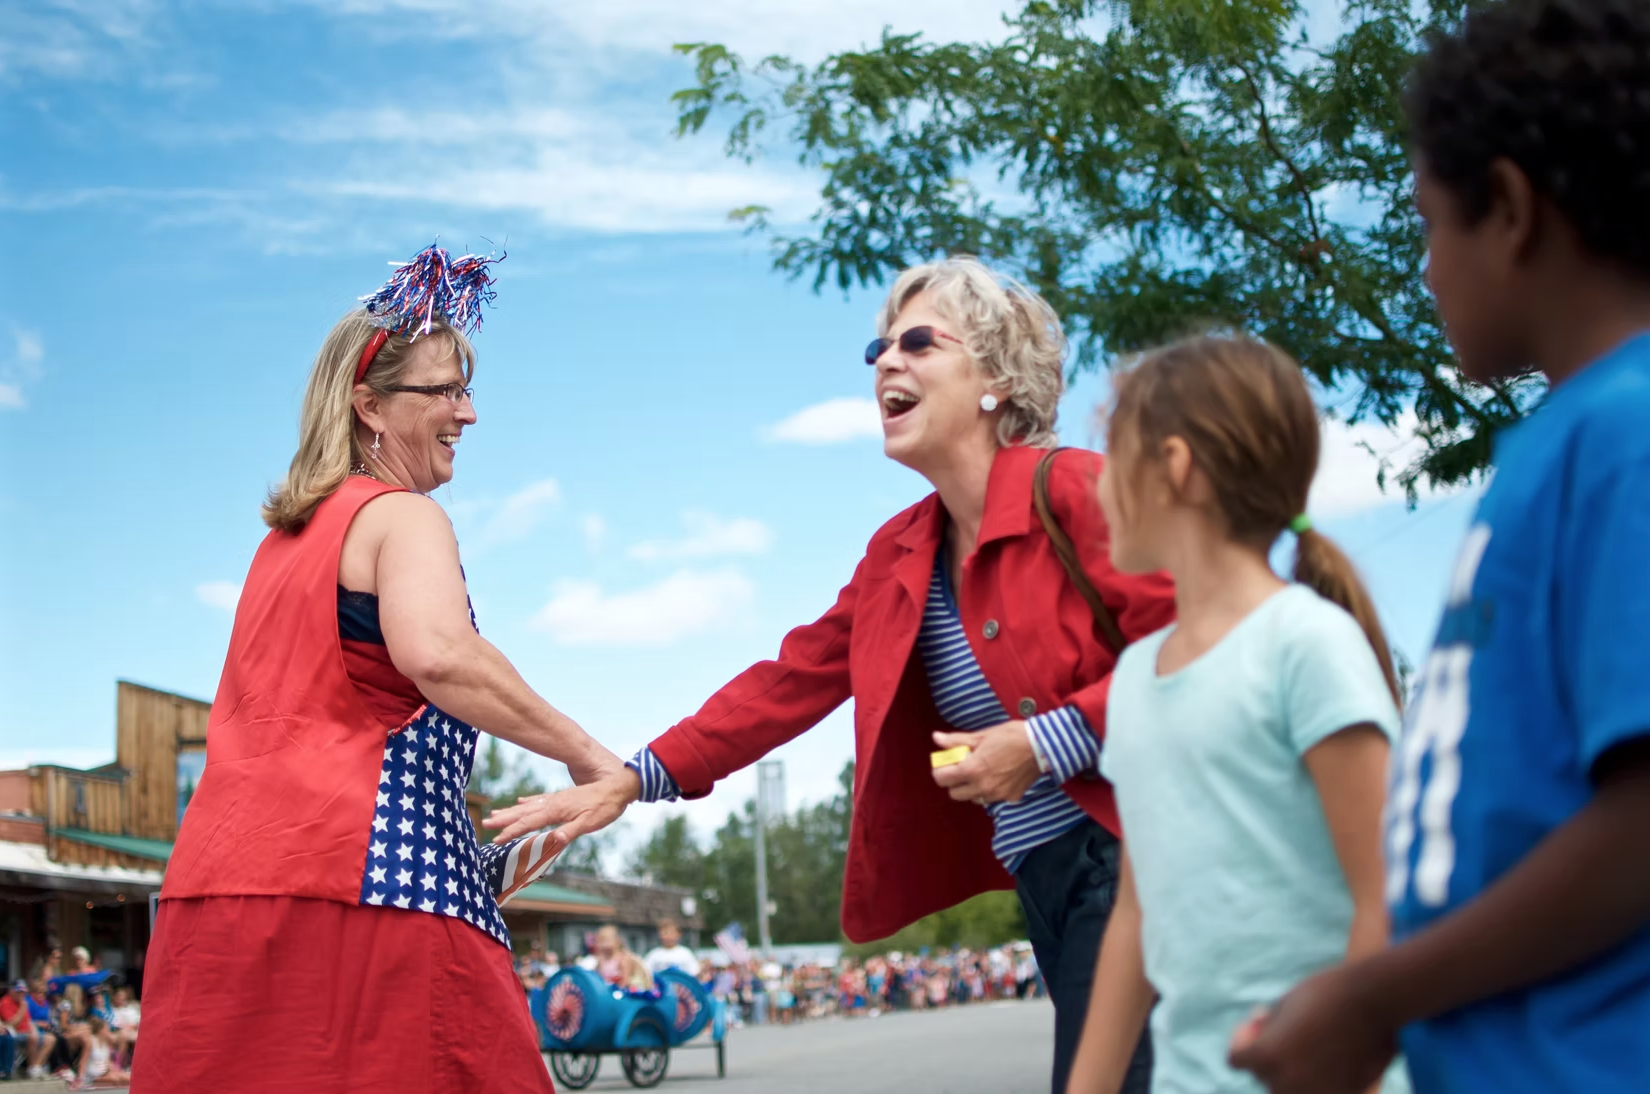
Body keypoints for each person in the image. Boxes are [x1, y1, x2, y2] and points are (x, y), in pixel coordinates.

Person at [490, 256, 1176, 1093]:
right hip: (1050, 882)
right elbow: (788, 682)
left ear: (996, 377)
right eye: (878, 348)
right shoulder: (900, 552)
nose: (886, 361)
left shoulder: (1077, 490)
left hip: (1145, 858)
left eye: (919, 342)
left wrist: (1044, 741)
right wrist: (636, 779)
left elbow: (1198, 645)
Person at [1228, 3, 1650, 1092]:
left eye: (1426, 223)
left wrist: (1377, 993)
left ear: (1507, 208)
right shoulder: (1565, 439)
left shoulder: (1628, 434)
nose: (1422, 267)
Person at [130, 244, 621, 1094]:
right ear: (370, 407)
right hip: (372, 894)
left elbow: (330, 721)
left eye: (468, 391)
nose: (468, 414)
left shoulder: (278, 549)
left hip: (214, 897)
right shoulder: (402, 516)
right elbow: (440, 655)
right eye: (446, 392)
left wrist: (466, 852)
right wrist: (585, 755)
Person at [1061, 336, 1408, 1094]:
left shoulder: (1306, 644)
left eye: (1113, 455)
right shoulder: (1132, 680)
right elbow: (1134, 914)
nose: (1096, 487)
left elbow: (1388, 893)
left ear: (1177, 468)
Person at [1, 979, 53, 1080]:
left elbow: (29, 1021)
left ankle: (36, 1067)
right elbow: (11, 1024)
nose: (21, 994)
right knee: (32, 1038)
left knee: (50, 1039)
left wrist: (34, 1031)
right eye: (19, 991)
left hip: (26, 1032)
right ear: (12, 991)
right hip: (15, 1033)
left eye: (23, 992)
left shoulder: (22, 1002)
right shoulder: (5, 1002)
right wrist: (22, 1009)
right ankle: (32, 1069)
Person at [594, 926, 655, 993]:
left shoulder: (623, 959)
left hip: (622, 993)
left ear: (617, 940)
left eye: (607, 940)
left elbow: (625, 982)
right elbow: (596, 977)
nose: (604, 944)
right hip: (607, 991)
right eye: (601, 941)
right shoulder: (601, 960)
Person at [75, 1017, 128, 1089]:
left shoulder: (106, 1042)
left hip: (104, 1073)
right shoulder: (90, 1042)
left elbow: (108, 1061)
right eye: (106, 1029)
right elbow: (83, 1062)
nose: (108, 1031)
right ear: (100, 1031)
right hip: (92, 1076)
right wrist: (80, 1079)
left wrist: (118, 1071)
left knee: (127, 1077)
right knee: (115, 1079)